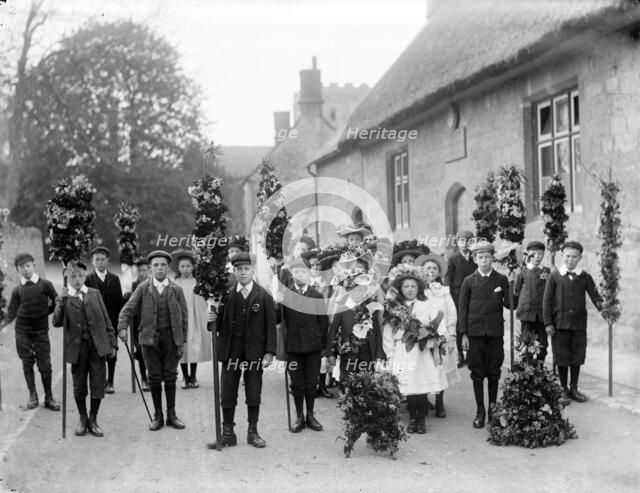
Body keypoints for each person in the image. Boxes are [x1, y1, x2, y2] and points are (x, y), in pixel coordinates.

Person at [209, 252, 277, 449]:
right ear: (234, 271)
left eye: (246, 269)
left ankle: (252, 432)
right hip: (231, 352)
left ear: (253, 270)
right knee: (227, 392)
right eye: (239, 269)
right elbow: (217, 324)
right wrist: (211, 316)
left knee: (254, 391)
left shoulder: (263, 296)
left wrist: (269, 352)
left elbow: (271, 326)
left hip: (254, 353)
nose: (243, 273)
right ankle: (228, 433)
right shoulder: (227, 295)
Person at [117, 250, 188, 431]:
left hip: (171, 340)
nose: (159, 268)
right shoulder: (142, 288)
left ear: (168, 268)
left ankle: (171, 414)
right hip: (149, 340)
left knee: (171, 376)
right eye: (155, 265)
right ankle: (158, 415)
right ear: (150, 269)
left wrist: (182, 341)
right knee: (154, 377)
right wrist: (122, 328)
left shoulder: (176, 290)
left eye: (163, 265)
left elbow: (184, 318)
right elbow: (127, 310)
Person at [52, 260, 117, 437]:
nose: (77, 280)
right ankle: (82, 418)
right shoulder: (65, 298)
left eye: (80, 275)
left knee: (98, 383)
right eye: (73, 276)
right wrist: (61, 301)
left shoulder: (94, 294)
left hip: (97, 346)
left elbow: (106, 319)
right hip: (77, 349)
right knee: (79, 385)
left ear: (85, 276)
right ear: (67, 277)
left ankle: (93, 419)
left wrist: (112, 343)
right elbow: (56, 322)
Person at [383, 265, 447, 434]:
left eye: (413, 286)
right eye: (406, 286)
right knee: (409, 384)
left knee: (421, 383)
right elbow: (389, 332)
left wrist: (436, 337)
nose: (410, 290)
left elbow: (439, 323)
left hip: (422, 350)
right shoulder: (395, 308)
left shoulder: (427, 304)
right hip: (404, 350)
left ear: (419, 288)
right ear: (400, 289)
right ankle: (412, 417)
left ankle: (421, 418)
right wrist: (390, 353)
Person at [459, 241, 514, 429]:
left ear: (493, 258)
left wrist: (514, 283)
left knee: (493, 372)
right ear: (475, 259)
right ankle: (479, 411)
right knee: (477, 373)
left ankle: (493, 409)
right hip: (474, 334)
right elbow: (462, 310)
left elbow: (510, 305)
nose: (484, 260)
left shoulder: (501, 280)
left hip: (494, 333)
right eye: (480, 257)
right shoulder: (469, 281)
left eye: (487, 257)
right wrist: (464, 335)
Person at [543, 241, 602, 404]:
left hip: (578, 325)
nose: (571, 260)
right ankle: (563, 389)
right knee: (561, 357)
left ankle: (574, 388)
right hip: (559, 325)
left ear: (580, 258)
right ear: (563, 256)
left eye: (574, 257)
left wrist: (607, 312)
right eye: (568, 256)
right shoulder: (554, 276)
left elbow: (596, 297)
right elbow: (547, 301)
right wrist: (548, 323)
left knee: (577, 356)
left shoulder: (584, 277)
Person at [276, 256, 329, 432]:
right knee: (297, 383)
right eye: (296, 272)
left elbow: (323, 322)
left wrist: (322, 347)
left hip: (313, 346)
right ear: (291, 274)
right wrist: (277, 302)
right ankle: (299, 416)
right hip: (293, 347)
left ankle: (311, 415)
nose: (300, 275)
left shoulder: (317, 295)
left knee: (311, 382)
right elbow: (278, 320)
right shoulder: (285, 295)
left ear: (309, 274)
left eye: (303, 272)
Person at [1, 253, 59, 410]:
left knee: (45, 364)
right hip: (22, 331)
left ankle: (49, 397)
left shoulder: (45, 285)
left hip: (41, 331)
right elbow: (11, 312)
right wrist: (3, 324)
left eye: (28, 266)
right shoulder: (17, 290)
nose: (25, 270)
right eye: (21, 267)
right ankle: (32, 395)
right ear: (18, 270)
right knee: (27, 362)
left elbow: (57, 302)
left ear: (34, 265)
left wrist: (46, 312)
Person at [326, 252, 384, 391]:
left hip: (367, 352)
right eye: (353, 288)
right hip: (348, 353)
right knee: (348, 381)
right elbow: (333, 330)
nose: (357, 291)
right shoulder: (342, 306)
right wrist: (330, 353)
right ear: (347, 289)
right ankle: (349, 405)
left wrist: (379, 354)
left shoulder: (371, 306)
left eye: (361, 288)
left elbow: (376, 332)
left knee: (367, 382)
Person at [416, 253, 459, 418]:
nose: (431, 271)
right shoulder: (418, 290)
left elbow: (451, 312)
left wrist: (451, 334)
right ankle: (425, 400)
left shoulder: (444, 291)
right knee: (425, 367)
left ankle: (440, 402)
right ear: (422, 270)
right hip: (423, 336)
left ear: (439, 272)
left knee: (441, 367)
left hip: (441, 335)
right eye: (428, 268)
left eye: (434, 268)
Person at [170, 250, 212, 389]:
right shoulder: (175, 283)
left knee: (193, 347)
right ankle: (185, 376)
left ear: (193, 267)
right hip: (181, 319)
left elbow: (202, 301)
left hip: (194, 319)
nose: (185, 269)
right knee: (182, 347)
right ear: (178, 268)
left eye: (188, 266)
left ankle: (193, 376)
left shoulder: (198, 282)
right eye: (182, 266)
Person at [85, 246, 124, 394]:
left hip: (112, 322)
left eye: (102, 259)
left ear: (108, 261)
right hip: (94, 323)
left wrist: (121, 324)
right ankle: (99, 380)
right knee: (96, 352)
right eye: (97, 260)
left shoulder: (114, 279)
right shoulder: (88, 279)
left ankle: (111, 381)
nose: (100, 262)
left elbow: (119, 302)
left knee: (112, 352)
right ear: (92, 262)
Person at [514, 241, 551, 362]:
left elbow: (550, 290)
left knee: (542, 343)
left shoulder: (546, 271)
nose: (537, 257)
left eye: (540, 254)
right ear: (528, 255)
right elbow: (517, 290)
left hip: (542, 314)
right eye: (533, 254)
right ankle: (527, 370)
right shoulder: (522, 272)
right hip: (527, 313)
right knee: (526, 342)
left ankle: (539, 370)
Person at [445, 230, 477, 368]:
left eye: (468, 241)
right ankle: (460, 354)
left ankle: (470, 355)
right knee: (459, 325)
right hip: (457, 296)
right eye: (462, 241)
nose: (464, 244)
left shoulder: (475, 258)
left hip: (473, 295)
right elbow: (448, 278)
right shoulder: (453, 259)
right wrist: (448, 294)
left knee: (471, 323)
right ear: (457, 243)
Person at [123, 257, 151, 391]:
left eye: (144, 270)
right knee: (140, 352)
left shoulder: (153, 284)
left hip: (151, 324)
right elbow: (128, 307)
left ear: (149, 271)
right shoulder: (132, 286)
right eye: (139, 270)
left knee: (151, 352)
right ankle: (144, 379)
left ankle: (151, 375)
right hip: (137, 326)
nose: (142, 273)